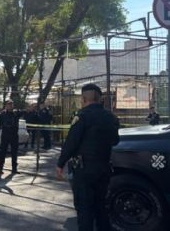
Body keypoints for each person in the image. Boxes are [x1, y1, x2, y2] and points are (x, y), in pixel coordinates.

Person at [56, 83, 120, 231]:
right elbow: (115, 140)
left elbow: (71, 143)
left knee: (85, 210)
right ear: (100, 99)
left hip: (84, 171)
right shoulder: (110, 117)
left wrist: (60, 164)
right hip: (104, 168)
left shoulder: (82, 117)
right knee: (101, 207)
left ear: (83, 99)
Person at [0, 99, 23, 174]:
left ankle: (14, 169)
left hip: (14, 135)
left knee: (14, 152)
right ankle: (0, 168)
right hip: (5, 135)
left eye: (11, 104)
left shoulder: (16, 114)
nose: (10, 106)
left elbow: (24, 113)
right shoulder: (2, 114)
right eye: (9, 104)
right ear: (6, 106)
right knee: (3, 152)